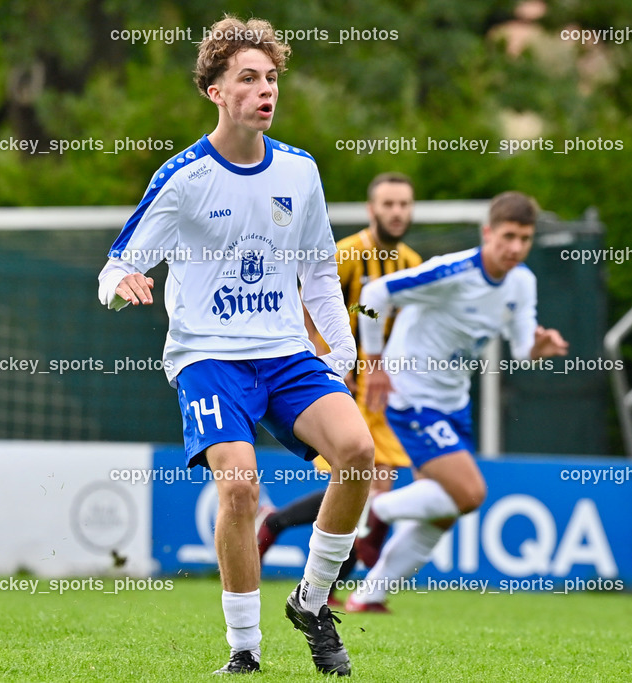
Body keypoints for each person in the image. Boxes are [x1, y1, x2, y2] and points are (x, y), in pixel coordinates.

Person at [96, 15, 372, 675]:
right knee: (241, 488)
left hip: (283, 354)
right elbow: (115, 266)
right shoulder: (184, 176)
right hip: (209, 355)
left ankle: (311, 600)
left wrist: (341, 355)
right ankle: (245, 650)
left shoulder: (300, 172)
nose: (265, 89)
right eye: (248, 78)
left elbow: (317, 274)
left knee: (359, 453)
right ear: (215, 90)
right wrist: (121, 282)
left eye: (271, 77)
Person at [345, 191, 569, 612]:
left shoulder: (522, 282)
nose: (516, 247)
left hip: (452, 402)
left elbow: (521, 349)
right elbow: (373, 295)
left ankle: (370, 595)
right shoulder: (452, 271)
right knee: (469, 493)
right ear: (487, 233)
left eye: (524, 238)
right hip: (411, 395)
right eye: (507, 236)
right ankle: (379, 509)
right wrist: (372, 362)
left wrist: (538, 345)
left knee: (444, 511)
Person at [257, 173, 421, 598]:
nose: (396, 212)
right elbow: (306, 309)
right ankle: (280, 531)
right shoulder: (347, 253)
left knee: (370, 492)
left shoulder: (412, 264)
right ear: (372, 209)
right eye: (388, 204)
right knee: (360, 485)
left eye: (403, 204)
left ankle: (327, 584)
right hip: (342, 388)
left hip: (383, 397)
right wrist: (327, 364)